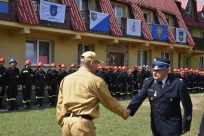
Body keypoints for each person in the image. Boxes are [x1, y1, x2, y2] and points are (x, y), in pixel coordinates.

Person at [56, 51, 127, 136]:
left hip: (66, 124)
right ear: (92, 63)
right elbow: (109, 102)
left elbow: (60, 103)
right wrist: (124, 113)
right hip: (82, 124)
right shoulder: (96, 80)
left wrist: (60, 120)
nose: (97, 67)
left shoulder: (66, 79)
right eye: (97, 64)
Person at [126, 57, 192, 136]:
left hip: (172, 126)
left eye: (157, 70)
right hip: (156, 126)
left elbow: (187, 106)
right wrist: (129, 110)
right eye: (153, 70)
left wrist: (186, 125)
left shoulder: (177, 84)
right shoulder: (149, 82)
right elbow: (139, 97)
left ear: (166, 71)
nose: (154, 73)